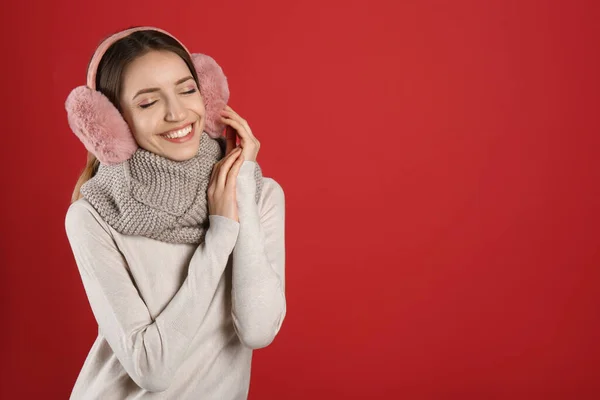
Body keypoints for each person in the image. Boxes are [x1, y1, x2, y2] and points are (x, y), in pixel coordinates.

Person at [64, 26, 286, 399]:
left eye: (187, 90)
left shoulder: (260, 195)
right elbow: (153, 369)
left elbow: (257, 329)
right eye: (148, 103)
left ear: (209, 95)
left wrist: (240, 188)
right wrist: (219, 234)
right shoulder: (93, 216)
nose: (177, 112)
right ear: (112, 124)